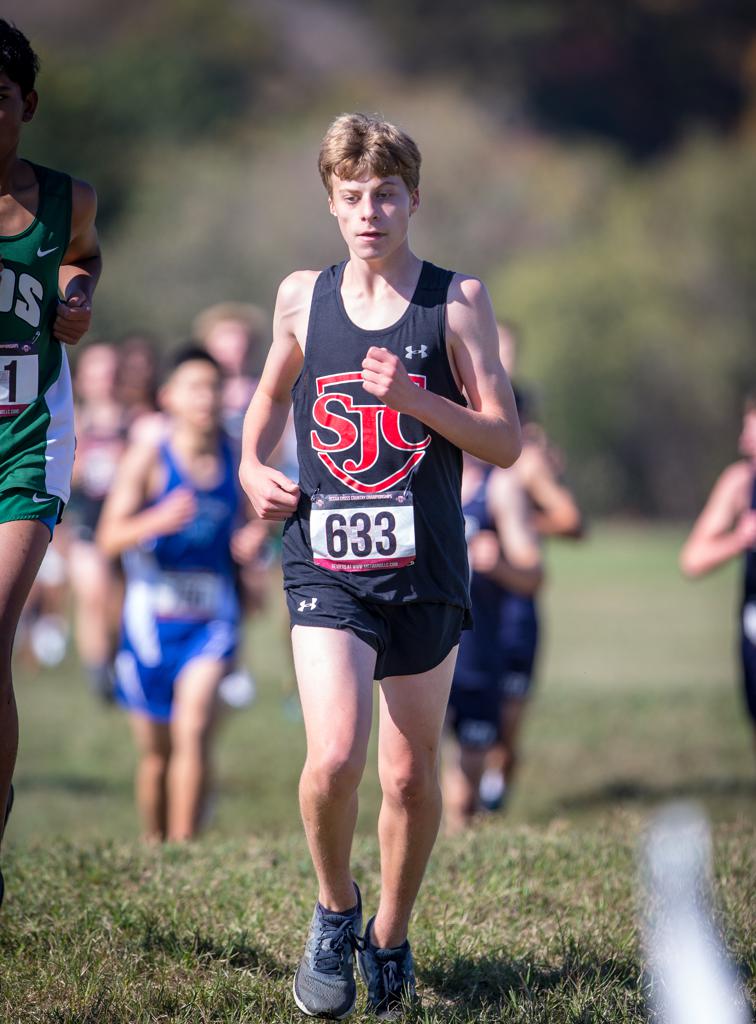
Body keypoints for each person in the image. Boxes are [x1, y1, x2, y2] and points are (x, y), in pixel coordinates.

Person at [239, 112, 521, 1019]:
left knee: (408, 775)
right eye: (353, 197)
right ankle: (335, 910)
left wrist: (413, 395)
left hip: (427, 565)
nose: (371, 212)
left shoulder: (456, 300)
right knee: (332, 758)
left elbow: (505, 442)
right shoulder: (298, 297)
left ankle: (391, 934)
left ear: (413, 199)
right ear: (332, 204)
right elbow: (271, 394)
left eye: (387, 195)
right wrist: (252, 466)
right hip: (325, 561)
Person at [0, 19, 101, 907]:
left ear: (25, 104)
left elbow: (83, 260)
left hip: (28, 438)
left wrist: (76, 293)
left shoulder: (70, 198)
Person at [96, 347, 264, 841]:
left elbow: (256, 527)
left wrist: (252, 540)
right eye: (193, 387)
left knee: (194, 732)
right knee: (156, 756)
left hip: (212, 619)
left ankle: (184, 849)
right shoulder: (150, 457)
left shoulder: (237, 457)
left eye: (212, 387)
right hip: (150, 622)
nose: (206, 398)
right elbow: (109, 536)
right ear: (168, 397)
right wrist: (156, 519)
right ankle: (156, 847)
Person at [478, 322, 584, 812]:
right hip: (474, 602)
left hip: (517, 603)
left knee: (510, 716)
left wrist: (517, 523)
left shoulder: (527, 464)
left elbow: (572, 521)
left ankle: (497, 785)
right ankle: (470, 795)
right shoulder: (461, 452)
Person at [443, 452, 543, 834]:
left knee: (467, 790)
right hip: (419, 645)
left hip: (476, 650)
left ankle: (460, 852)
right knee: (409, 774)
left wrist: (499, 564)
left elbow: (533, 574)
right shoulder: (411, 473)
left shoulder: (499, 488)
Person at [680, 394, 756, 755]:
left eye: (750, 429)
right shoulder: (740, 483)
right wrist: (741, 538)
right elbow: (693, 559)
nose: (743, 440)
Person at [66, 342, 128, 699]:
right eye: (96, 374)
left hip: (126, 526)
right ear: (83, 380)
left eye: (110, 373)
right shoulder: (72, 419)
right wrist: (82, 467)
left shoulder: (136, 421)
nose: (104, 381)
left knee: (118, 600)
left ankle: (116, 658)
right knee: (92, 594)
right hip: (87, 522)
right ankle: (98, 677)